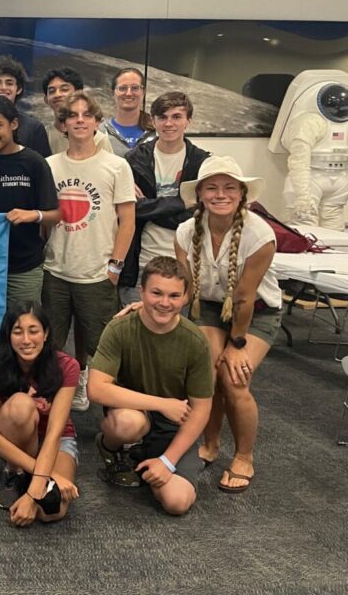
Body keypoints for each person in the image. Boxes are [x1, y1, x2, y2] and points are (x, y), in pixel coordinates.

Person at [175, 156, 281, 494]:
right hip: (206, 308)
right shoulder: (185, 231)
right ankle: (210, 444)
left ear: (242, 193)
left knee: (234, 379)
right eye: (212, 188)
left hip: (256, 313)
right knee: (206, 373)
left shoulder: (260, 234)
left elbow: (245, 298)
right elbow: (185, 289)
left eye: (229, 187)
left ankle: (244, 456)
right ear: (201, 195)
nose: (221, 194)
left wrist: (236, 346)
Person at [87, 256, 213, 516]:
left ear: (185, 298)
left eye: (174, 295)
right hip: (136, 413)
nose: (165, 303)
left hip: (174, 425)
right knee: (127, 424)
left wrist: (167, 462)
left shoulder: (195, 341)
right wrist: (161, 404)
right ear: (141, 292)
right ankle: (115, 449)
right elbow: (96, 389)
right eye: (156, 293)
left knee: (177, 502)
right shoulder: (120, 328)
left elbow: (201, 409)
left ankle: (151, 460)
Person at [43, 91, 135, 412]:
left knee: (105, 348)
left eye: (87, 115)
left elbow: (127, 221)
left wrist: (115, 267)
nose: (80, 120)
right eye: (73, 115)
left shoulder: (116, 166)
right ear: (63, 124)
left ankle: (120, 419)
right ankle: (53, 407)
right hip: (55, 272)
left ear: (97, 122)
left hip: (98, 275)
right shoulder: (50, 165)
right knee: (50, 346)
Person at [0, 302, 79, 526]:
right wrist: (46, 476)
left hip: (55, 441)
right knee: (21, 404)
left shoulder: (67, 366)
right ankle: (15, 471)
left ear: (46, 334)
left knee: (52, 511)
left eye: (33, 331)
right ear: (8, 336)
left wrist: (34, 494)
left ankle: (29, 481)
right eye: (17, 331)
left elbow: (55, 433)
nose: (26, 340)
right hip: (16, 440)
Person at [0, 96, 59, 311]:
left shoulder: (34, 162)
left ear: (14, 124)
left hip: (24, 267)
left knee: (23, 325)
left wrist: (33, 215)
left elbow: (55, 215)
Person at [119, 91, 210, 305]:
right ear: (153, 121)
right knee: (136, 329)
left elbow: (197, 213)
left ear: (188, 121)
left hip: (186, 260)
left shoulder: (203, 163)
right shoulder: (133, 160)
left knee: (178, 330)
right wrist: (180, 203)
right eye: (162, 117)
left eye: (176, 117)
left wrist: (150, 208)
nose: (169, 123)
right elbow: (131, 211)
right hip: (142, 259)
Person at [41, 67, 114, 155]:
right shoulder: (42, 136)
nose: (58, 95)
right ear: (46, 99)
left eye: (64, 89)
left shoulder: (98, 138)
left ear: (79, 94)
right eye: (52, 91)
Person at [104, 68, 154, 156]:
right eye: (122, 88)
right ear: (113, 93)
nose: (129, 93)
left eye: (135, 88)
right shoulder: (101, 132)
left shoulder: (157, 132)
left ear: (143, 92)